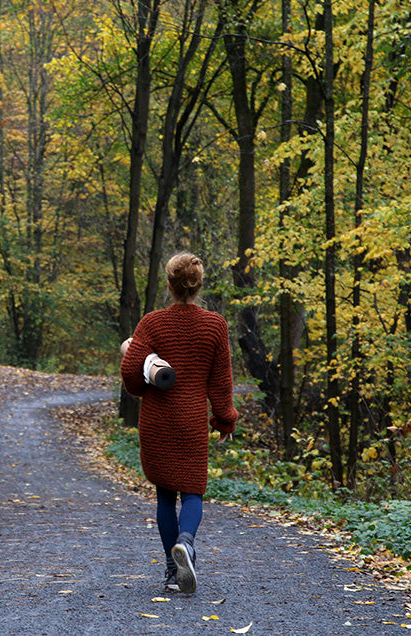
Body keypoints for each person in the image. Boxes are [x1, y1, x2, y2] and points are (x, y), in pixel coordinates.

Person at [119, 252, 238, 594]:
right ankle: (186, 542)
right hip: (191, 421)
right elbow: (221, 381)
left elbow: (131, 371)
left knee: (164, 495)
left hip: (158, 419)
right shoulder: (215, 325)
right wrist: (224, 419)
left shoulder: (152, 323)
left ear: (169, 285)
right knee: (193, 491)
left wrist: (141, 384)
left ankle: (173, 572)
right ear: (199, 285)